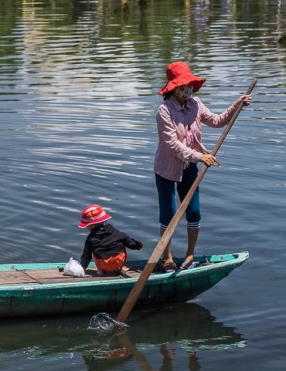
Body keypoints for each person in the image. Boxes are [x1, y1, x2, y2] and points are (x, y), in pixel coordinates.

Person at [153, 62, 252, 272]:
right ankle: (167, 257)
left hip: (190, 166)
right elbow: (172, 145)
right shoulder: (164, 111)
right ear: (173, 88)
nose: (187, 90)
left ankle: (190, 255)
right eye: (182, 86)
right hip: (167, 169)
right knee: (168, 214)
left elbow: (217, 121)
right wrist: (201, 156)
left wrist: (236, 105)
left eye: (189, 86)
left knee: (194, 212)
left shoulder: (196, 104)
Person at [75, 203, 143, 277]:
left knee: (95, 250)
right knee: (122, 244)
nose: (86, 227)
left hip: (103, 264)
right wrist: (138, 245)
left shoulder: (91, 238)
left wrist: (83, 267)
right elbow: (130, 243)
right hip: (117, 262)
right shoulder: (115, 232)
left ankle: (100, 271)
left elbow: (86, 255)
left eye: (87, 226)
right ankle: (122, 267)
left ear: (92, 225)